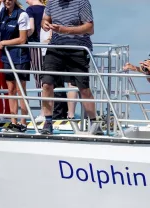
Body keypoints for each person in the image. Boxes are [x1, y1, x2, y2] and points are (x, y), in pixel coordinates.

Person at [39, 0, 100, 135]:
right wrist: (44, 24)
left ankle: (94, 123)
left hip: (77, 49)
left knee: (83, 88)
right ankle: (48, 122)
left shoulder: (81, 2)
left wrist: (65, 30)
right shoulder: (52, 2)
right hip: (55, 47)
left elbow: (90, 28)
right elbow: (45, 18)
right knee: (47, 84)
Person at [0, 0, 33, 133]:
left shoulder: (22, 15)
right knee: (11, 89)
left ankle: (23, 122)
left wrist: (5, 42)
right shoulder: (2, 12)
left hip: (20, 57)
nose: (8, 1)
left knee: (21, 90)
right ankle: (13, 122)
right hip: (7, 56)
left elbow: (22, 39)